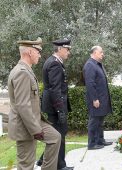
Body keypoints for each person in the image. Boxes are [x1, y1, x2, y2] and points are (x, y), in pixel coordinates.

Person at [8, 37, 61, 170]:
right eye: (38, 51)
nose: (39, 55)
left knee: (55, 137)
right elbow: (23, 105)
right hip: (25, 126)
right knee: (26, 164)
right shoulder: (21, 73)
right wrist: (35, 130)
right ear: (30, 52)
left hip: (33, 121)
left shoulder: (26, 70)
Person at [38, 38, 73, 170]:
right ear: (59, 49)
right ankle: (60, 166)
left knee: (58, 135)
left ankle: (43, 160)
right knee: (60, 135)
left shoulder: (54, 62)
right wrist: (60, 110)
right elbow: (55, 89)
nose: (68, 52)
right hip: (55, 106)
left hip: (53, 105)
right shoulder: (54, 64)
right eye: (67, 49)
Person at [83, 46, 113, 150]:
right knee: (94, 121)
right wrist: (94, 99)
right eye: (101, 52)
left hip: (101, 99)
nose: (102, 54)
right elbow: (90, 84)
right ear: (95, 52)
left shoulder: (97, 64)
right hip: (96, 100)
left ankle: (100, 140)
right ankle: (92, 144)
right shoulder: (90, 65)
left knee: (100, 121)